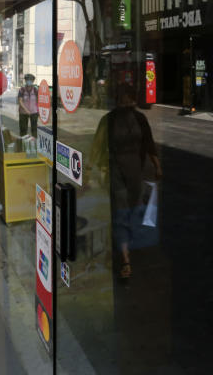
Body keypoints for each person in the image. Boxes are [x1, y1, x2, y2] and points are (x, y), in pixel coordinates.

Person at [91, 84, 162, 280]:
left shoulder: (140, 118)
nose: (128, 102)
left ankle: (125, 244)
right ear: (118, 100)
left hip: (135, 175)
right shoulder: (109, 120)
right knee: (121, 212)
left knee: (133, 211)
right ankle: (125, 259)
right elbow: (96, 147)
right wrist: (90, 172)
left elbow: (148, 142)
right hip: (116, 173)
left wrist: (157, 166)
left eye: (130, 98)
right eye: (124, 98)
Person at [17, 73, 38, 138]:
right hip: (23, 112)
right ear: (25, 81)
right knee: (23, 130)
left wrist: (38, 110)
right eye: (28, 80)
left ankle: (34, 144)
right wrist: (26, 110)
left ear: (33, 81)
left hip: (34, 112)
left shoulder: (35, 90)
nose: (29, 81)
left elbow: (38, 100)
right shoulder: (22, 89)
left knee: (34, 130)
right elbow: (20, 101)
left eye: (31, 80)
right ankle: (23, 144)